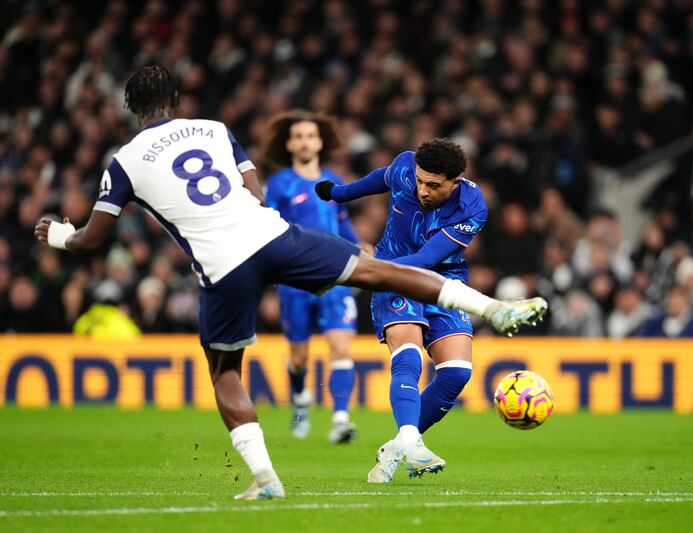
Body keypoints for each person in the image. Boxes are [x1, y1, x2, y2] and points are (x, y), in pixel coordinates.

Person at [34, 66, 547, 501]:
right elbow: (253, 190)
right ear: (175, 99)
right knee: (377, 279)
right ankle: (491, 311)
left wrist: (59, 235)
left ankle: (267, 478)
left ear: (129, 107)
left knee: (226, 373)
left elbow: (93, 239)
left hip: (223, 265)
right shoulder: (213, 129)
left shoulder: (123, 162)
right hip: (275, 234)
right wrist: (328, 201)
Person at [316, 139, 547, 483]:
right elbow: (384, 177)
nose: (423, 190)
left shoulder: (472, 206)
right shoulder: (406, 168)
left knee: (456, 374)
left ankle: (397, 447)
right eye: (420, 181)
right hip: (392, 279)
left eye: (434, 185)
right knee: (409, 358)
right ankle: (413, 444)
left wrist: (366, 268)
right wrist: (340, 192)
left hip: (442, 283)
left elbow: (425, 261)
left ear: (455, 182)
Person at [262, 110, 359, 443]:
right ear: (289, 144)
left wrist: (361, 249)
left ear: (321, 142)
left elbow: (343, 222)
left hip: (335, 276)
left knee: (340, 347)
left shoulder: (333, 182)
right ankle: (301, 402)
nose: (305, 141)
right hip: (295, 281)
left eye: (310, 135)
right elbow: (269, 228)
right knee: (299, 357)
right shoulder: (279, 184)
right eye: (298, 136)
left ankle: (341, 420)